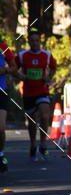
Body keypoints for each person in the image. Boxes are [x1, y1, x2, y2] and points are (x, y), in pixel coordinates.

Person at [15, 30, 57, 161]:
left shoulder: (46, 55)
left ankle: (43, 143)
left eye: (37, 41)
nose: (35, 43)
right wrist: (20, 76)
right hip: (28, 92)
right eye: (32, 41)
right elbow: (12, 68)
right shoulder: (22, 55)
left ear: (40, 41)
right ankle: (33, 144)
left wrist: (49, 77)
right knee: (32, 121)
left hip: (42, 90)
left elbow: (53, 67)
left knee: (45, 115)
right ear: (29, 42)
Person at [0, 37, 16, 173]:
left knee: (1, 127)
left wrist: (4, 71)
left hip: (1, 91)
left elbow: (14, 67)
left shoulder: (3, 47)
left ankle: (0, 154)